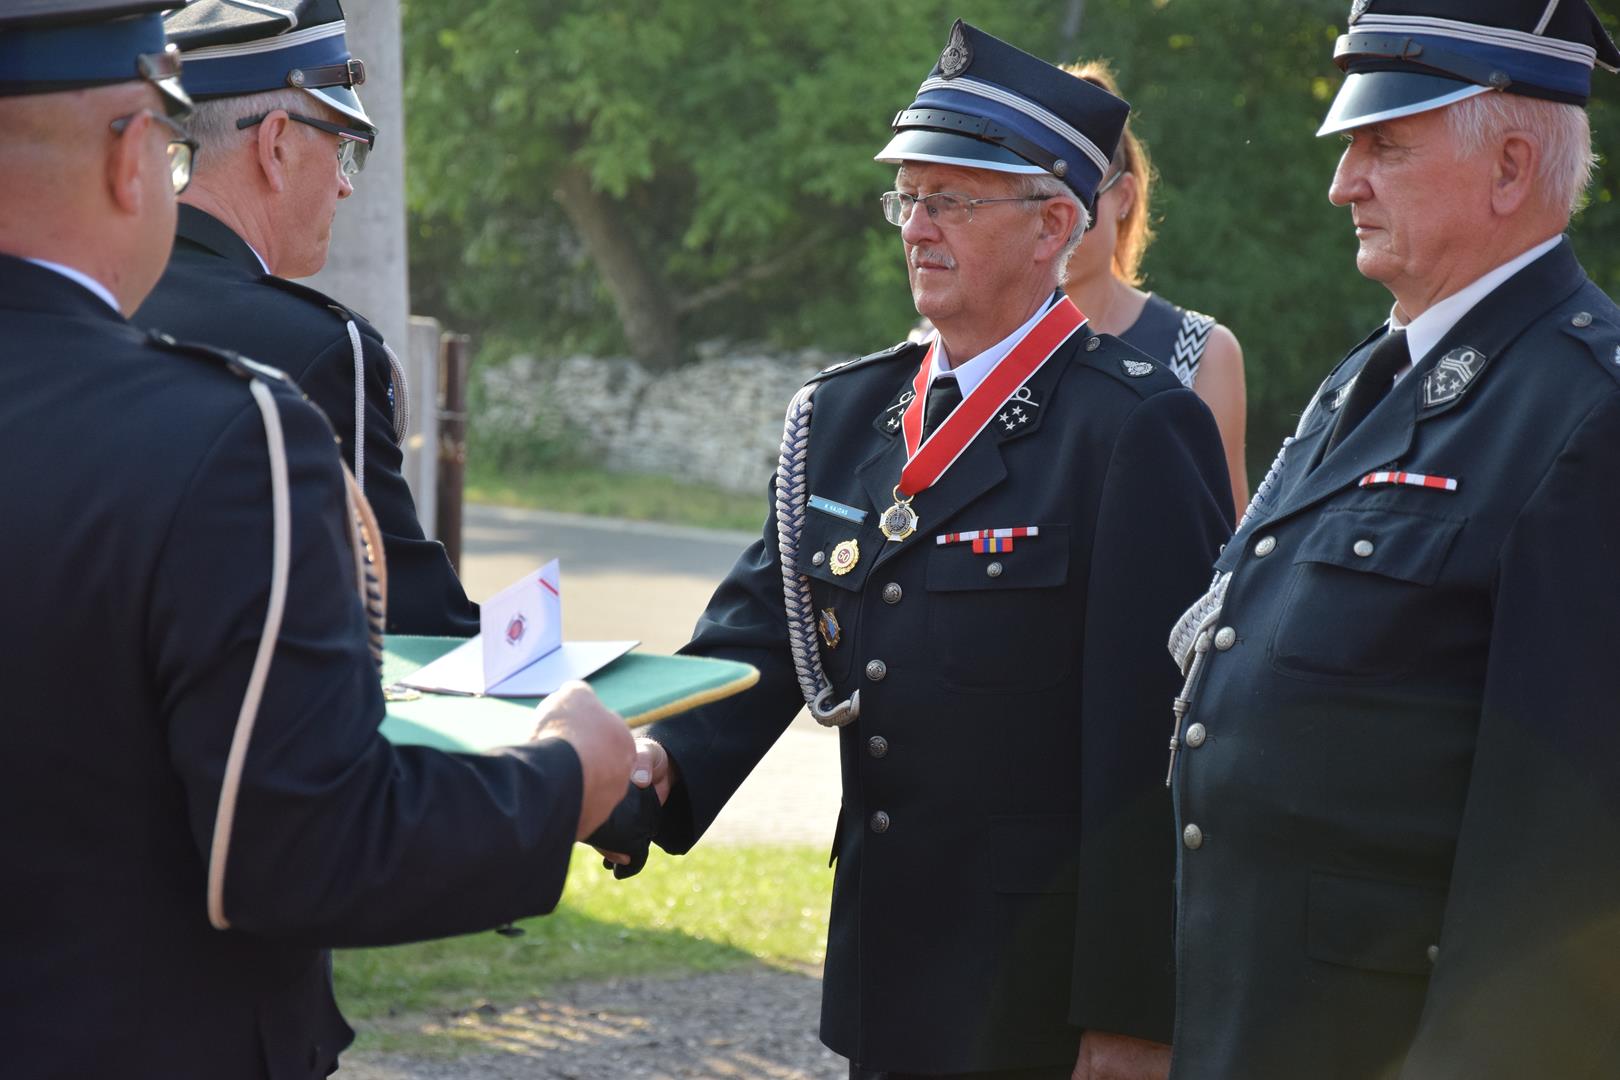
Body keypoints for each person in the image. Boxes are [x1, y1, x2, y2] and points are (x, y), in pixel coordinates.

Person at [0, 3, 634, 1075]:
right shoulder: (234, 430)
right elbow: (296, 842)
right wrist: (567, 780)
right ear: (127, 159)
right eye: (162, 139)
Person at [598, 20, 1233, 1080]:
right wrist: (642, 765)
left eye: (953, 199)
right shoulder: (848, 417)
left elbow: (1155, 756)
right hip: (888, 973)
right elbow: (761, 632)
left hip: (1034, 999)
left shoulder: (1134, 428)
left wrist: (1134, 1015)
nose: (917, 227)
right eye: (910, 197)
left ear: (1053, 227)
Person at [1165, 2, 1620, 1077]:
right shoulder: (1375, 372)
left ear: (1511, 166)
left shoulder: (1587, 412)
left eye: (1384, 145)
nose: (1343, 182)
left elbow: (1566, 850)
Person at [133, 0, 479, 636]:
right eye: (343, 149)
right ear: (277, 146)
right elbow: (411, 624)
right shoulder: (318, 349)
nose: (345, 185)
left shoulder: (82, 299)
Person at [1060, 60, 1249, 513]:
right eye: (1038, 200)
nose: (1057, 226)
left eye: (1080, 201)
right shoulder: (969, 348)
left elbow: (1229, 546)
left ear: (1123, 198)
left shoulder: (1201, 353)